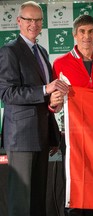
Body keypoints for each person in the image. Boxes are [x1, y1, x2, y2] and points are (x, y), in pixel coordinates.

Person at [0, 1, 69, 216]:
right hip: (21, 138)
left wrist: (53, 103)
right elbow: (7, 94)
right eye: (29, 19)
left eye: (38, 19)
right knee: (21, 203)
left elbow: (44, 95)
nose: (34, 24)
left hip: (41, 134)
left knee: (38, 201)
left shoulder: (41, 51)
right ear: (19, 21)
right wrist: (44, 89)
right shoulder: (9, 51)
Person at [53, 15, 93, 216]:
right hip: (74, 135)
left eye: (90, 31)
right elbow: (54, 104)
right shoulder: (60, 63)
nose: (86, 36)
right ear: (74, 35)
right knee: (76, 186)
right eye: (82, 32)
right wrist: (53, 104)